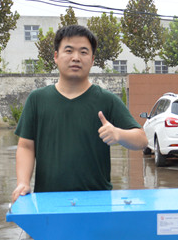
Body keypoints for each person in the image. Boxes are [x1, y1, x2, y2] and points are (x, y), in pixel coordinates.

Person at [12, 25, 147, 202]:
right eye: (68, 51)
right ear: (56, 56)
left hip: (98, 203)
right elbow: (26, 146)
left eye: (83, 52)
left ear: (92, 60)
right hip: (47, 202)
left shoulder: (106, 100)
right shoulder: (37, 100)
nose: (76, 58)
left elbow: (142, 140)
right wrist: (23, 182)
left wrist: (118, 134)